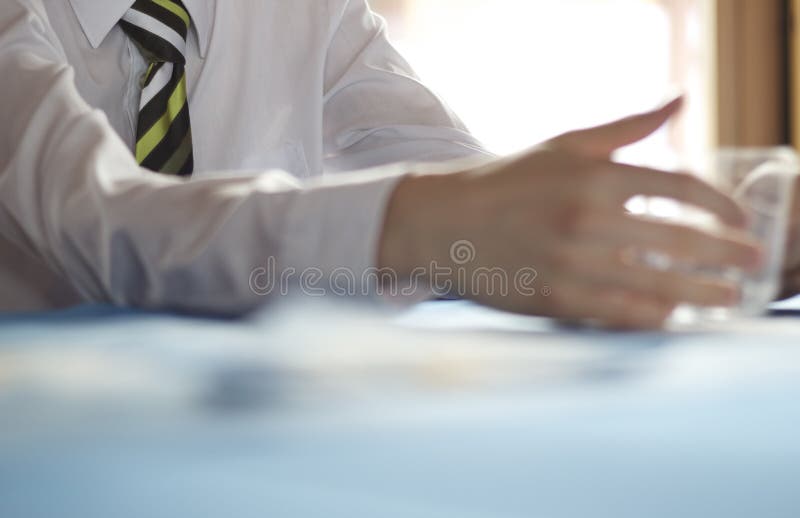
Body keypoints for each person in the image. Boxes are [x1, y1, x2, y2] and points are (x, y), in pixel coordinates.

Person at [0, 0, 764, 329]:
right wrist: (411, 225)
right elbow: (100, 221)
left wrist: (697, 249)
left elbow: (472, 198)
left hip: (252, 432)